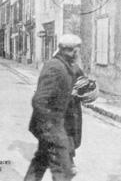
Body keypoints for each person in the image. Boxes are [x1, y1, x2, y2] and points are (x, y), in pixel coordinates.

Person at [24, 34, 93, 181]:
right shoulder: (55, 67)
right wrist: (50, 130)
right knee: (63, 172)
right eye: (78, 50)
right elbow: (39, 100)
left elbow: (82, 86)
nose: (78, 53)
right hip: (54, 129)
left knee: (40, 163)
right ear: (73, 51)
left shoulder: (68, 66)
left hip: (58, 128)